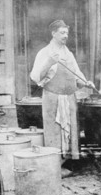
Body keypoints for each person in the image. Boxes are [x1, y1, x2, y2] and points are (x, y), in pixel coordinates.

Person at [30, 20, 95, 178]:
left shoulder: (68, 53)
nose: (66, 36)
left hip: (69, 98)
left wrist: (86, 82)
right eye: (62, 33)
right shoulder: (45, 53)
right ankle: (54, 167)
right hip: (53, 98)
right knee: (54, 131)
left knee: (71, 131)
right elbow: (35, 77)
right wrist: (49, 62)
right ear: (53, 34)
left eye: (67, 33)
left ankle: (67, 164)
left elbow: (76, 75)